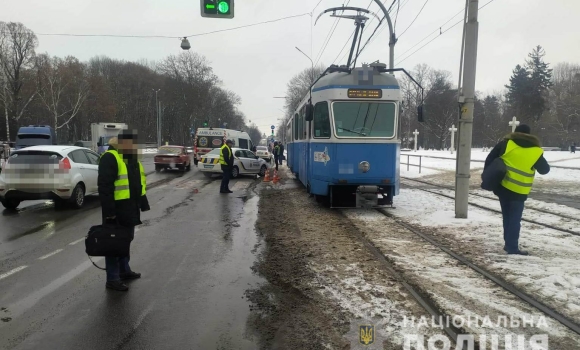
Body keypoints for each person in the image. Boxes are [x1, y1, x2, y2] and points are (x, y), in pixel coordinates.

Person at [484, 124, 550, 255]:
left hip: (503, 186)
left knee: (507, 216)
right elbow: (544, 170)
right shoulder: (535, 150)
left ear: (515, 132)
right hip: (520, 190)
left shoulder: (506, 144)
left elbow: (490, 160)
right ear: (530, 135)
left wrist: (489, 176)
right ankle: (512, 246)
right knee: (515, 218)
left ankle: (508, 244)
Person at [98, 130, 150, 291]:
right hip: (116, 209)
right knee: (114, 243)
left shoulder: (131, 159)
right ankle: (112, 279)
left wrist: (142, 203)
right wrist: (110, 212)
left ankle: (124, 270)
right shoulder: (110, 157)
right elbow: (105, 187)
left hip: (130, 208)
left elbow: (138, 183)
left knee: (126, 239)